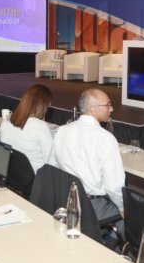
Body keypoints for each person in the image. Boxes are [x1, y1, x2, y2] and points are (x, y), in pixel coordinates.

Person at [52, 88, 125, 222]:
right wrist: (122, 207)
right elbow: (114, 187)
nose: (112, 109)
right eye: (108, 105)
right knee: (139, 209)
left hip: (65, 200)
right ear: (93, 109)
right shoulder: (105, 138)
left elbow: (52, 166)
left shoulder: (62, 131)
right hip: (92, 207)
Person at [0, 84, 54, 173]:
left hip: (12, 174)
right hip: (37, 177)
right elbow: (51, 161)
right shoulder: (40, 127)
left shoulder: (5, 123)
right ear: (43, 106)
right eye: (47, 106)